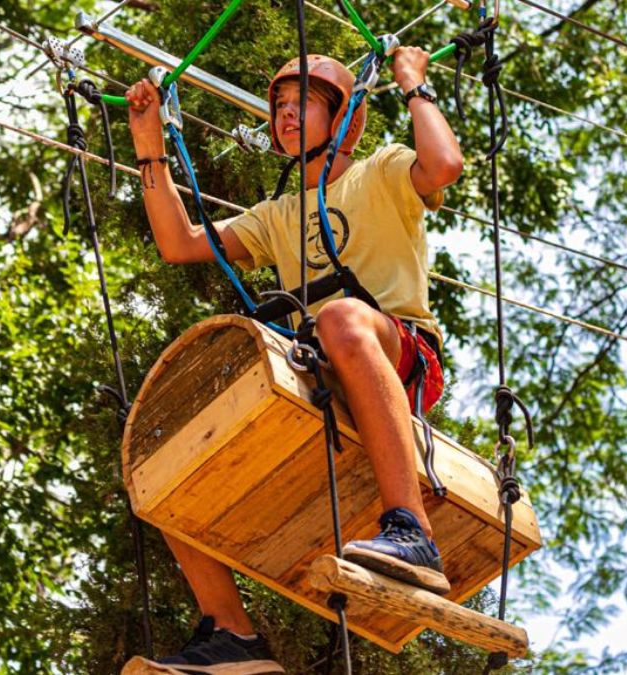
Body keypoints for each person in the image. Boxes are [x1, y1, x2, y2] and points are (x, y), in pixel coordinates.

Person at [122, 46, 464, 675]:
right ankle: (232, 632)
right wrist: (150, 149)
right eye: (278, 105)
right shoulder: (276, 215)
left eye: (300, 102)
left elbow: (443, 165)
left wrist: (413, 84)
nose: (282, 114)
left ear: (348, 119)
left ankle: (411, 528)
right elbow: (178, 244)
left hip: (398, 352)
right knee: (171, 436)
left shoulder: (382, 170)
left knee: (338, 317)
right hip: (323, 363)